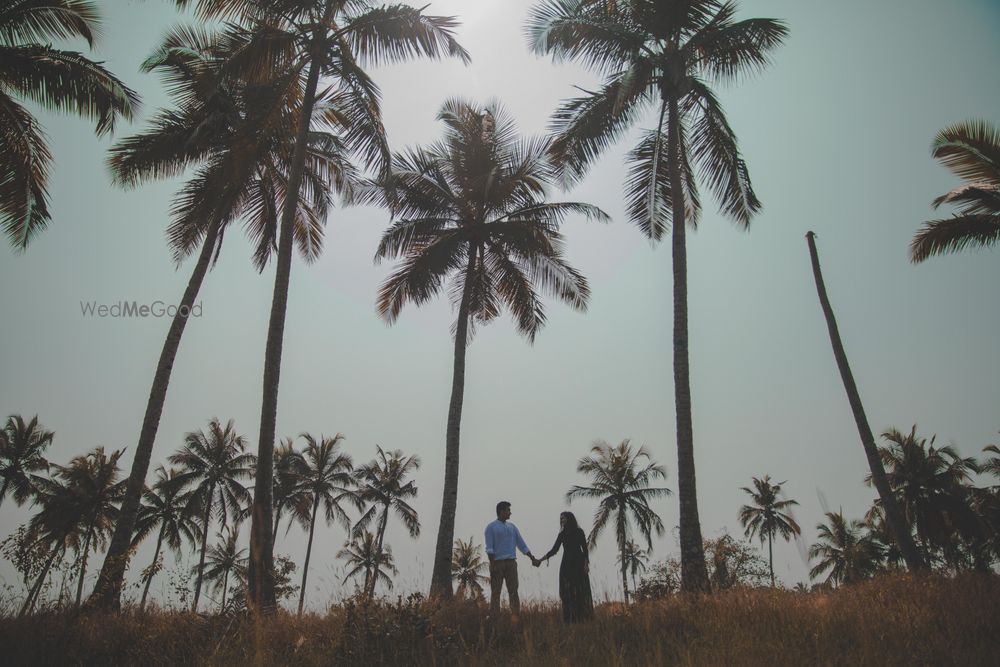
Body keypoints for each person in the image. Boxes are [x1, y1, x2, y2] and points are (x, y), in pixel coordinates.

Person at [536, 511, 594, 623]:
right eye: (561, 519)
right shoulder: (562, 534)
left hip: (579, 563)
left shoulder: (579, 531)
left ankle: (584, 618)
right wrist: (540, 560)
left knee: (581, 591)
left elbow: (585, 549)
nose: (562, 521)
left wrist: (586, 564)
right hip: (567, 565)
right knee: (567, 592)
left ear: (569, 519)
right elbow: (554, 550)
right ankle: (570, 619)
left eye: (564, 518)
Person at [484, 500, 538, 617]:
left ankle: (515, 615)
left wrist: (531, 557)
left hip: (511, 563)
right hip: (497, 562)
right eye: (508, 510)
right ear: (501, 511)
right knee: (496, 592)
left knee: (513, 591)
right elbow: (489, 548)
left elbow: (521, 544)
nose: (510, 513)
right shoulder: (491, 527)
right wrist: (493, 564)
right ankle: (494, 616)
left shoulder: (512, 527)